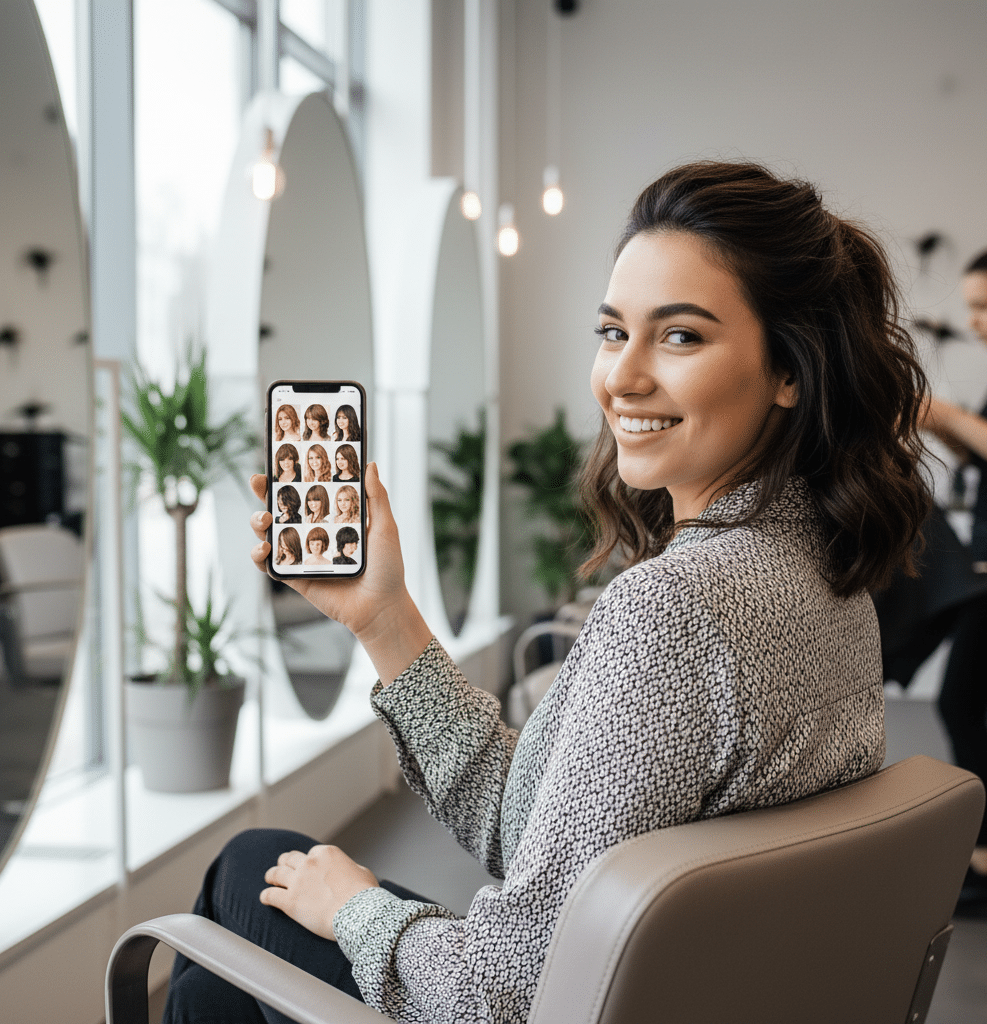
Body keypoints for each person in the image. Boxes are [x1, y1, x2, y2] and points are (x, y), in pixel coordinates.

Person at [164, 161, 930, 1024]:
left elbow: (502, 994)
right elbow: (532, 834)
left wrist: (353, 908)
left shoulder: (675, 610)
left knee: (246, 875)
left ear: (790, 369)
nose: (622, 378)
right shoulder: (830, 586)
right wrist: (384, 617)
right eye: (612, 332)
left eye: (680, 337)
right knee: (236, 937)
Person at [919, 235, 987, 920]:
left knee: (959, 702)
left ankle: (984, 865)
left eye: (985, 306)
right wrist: (948, 428)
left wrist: (949, 416)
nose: (976, 320)